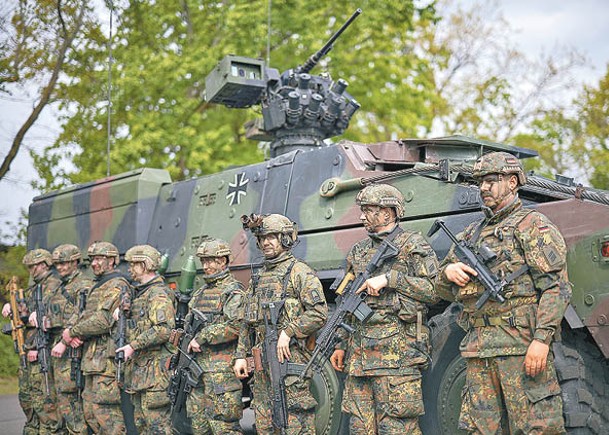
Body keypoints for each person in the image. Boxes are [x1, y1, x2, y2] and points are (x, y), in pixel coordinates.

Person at [435, 151, 571, 434]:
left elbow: (556, 287)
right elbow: (439, 289)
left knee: (536, 427)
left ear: (512, 182)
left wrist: (542, 340)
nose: (483, 187)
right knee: (478, 429)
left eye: (491, 180)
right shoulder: (470, 234)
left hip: (521, 350)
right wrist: (448, 273)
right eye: (480, 182)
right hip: (478, 352)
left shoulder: (533, 226)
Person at [329, 184, 440, 434]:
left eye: (368, 210)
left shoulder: (412, 245)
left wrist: (390, 279)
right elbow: (347, 303)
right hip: (359, 360)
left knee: (397, 428)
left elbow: (434, 290)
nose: (361, 216)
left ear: (388, 212)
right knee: (359, 428)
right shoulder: (358, 252)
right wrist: (340, 344)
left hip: (397, 359)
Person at [234, 213, 328, 434]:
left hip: (289, 365)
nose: (266, 242)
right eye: (263, 237)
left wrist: (288, 331)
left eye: (273, 237)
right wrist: (240, 355)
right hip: (262, 369)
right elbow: (247, 322)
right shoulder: (258, 277)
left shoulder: (299, 272)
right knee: (266, 424)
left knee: (295, 423)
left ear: (286, 239)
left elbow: (319, 312)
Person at [61, 241, 129, 434]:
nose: (94, 263)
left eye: (100, 259)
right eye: (92, 259)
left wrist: (73, 332)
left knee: (107, 415)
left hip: (106, 362)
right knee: (90, 413)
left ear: (113, 260)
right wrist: (71, 333)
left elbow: (103, 320)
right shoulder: (95, 286)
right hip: (91, 360)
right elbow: (81, 315)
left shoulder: (118, 284)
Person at [184, 238, 245, 434]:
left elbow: (235, 326)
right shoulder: (200, 293)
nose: (207, 266)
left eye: (212, 260)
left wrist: (202, 337)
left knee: (224, 428)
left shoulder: (233, 291)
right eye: (204, 261)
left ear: (224, 261)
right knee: (199, 426)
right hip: (197, 371)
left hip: (221, 373)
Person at [115, 244, 175, 434]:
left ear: (145, 265)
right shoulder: (140, 293)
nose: (130, 269)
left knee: (158, 427)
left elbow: (163, 329)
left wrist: (133, 346)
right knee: (142, 426)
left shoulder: (157, 294)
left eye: (134, 264)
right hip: (141, 375)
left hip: (155, 376)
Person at [3, 249, 63, 434]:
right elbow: (26, 316)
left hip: (41, 352)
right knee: (27, 401)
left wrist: (37, 346)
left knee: (45, 404)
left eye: (34, 266)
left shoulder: (54, 286)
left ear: (45, 264)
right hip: (27, 351)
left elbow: (57, 322)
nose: (31, 270)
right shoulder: (34, 288)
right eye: (29, 267)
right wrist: (12, 306)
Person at [49, 244, 93, 434]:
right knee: (64, 404)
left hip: (74, 354)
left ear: (75, 261)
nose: (60, 267)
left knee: (73, 403)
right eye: (57, 264)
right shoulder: (60, 286)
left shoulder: (83, 285)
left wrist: (70, 336)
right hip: (61, 351)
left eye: (64, 263)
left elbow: (85, 315)